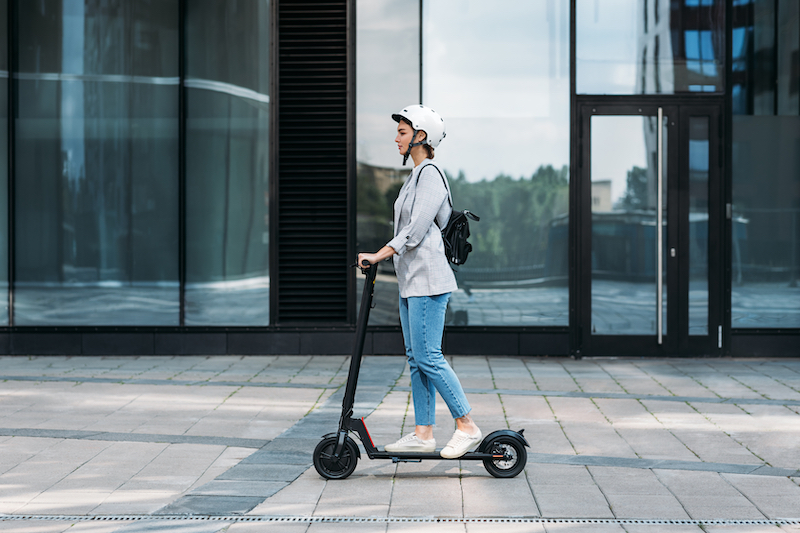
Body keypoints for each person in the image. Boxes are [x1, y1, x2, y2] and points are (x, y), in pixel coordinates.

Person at [357, 105, 481, 459]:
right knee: (416, 359)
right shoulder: (415, 176)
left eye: (402, 132)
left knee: (429, 356)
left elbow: (414, 230)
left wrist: (379, 254)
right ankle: (423, 432)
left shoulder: (431, 174)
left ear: (420, 136)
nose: (396, 138)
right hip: (411, 281)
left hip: (428, 280)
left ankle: (467, 424)